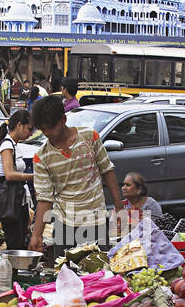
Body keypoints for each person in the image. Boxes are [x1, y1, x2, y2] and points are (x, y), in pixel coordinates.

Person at [29, 94, 124, 254]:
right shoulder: (41, 156)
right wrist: (36, 235)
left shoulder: (90, 137)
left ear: (63, 120)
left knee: (99, 275)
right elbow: (44, 199)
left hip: (96, 221)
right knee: (65, 273)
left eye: (50, 128)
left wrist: (118, 206)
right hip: (64, 226)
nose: (46, 133)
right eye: (42, 128)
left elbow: (107, 170)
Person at [0, 108, 34, 250]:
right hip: (10, 202)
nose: (31, 133)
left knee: (19, 241)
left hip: (16, 201)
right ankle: (14, 270)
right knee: (15, 244)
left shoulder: (13, 145)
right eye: (29, 129)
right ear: (19, 125)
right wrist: (34, 177)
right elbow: (9, 174)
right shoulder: (7, 145)